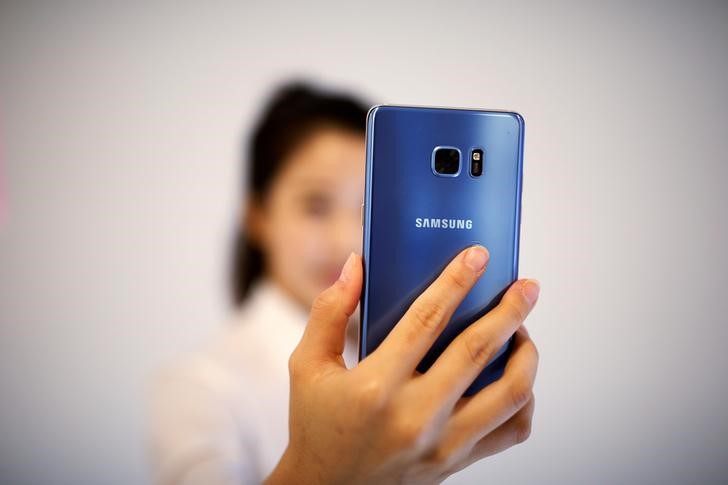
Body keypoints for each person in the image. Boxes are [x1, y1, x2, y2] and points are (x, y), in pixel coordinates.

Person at [148, 81, 540, 484]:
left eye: (366, 208)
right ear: (258, 216)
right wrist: (322, 472)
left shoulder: (422, 370)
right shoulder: (200, 385)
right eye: (316, 206)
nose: (345, 240)